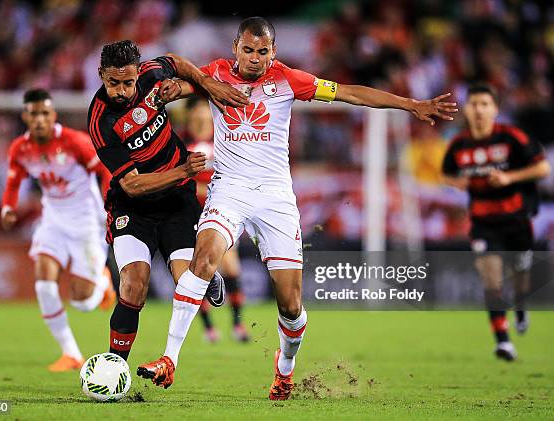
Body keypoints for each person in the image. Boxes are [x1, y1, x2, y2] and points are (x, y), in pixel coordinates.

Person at [139, 17, 457, 400]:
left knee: (290, 305)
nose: (255, 58)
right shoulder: (215, 74)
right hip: (230, 189)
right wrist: (166, 92)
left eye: (263, 51)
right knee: (203, 259)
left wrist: (410, 104)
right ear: (235, 48)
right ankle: (169, 359)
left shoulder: (290, 80)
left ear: (273, 52)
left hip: (276, 198)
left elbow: (349, 94)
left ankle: (284, 369)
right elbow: (181, 83)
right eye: (248, 50)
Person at [87, 40, 249, 362]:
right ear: (101, 74)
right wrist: (183, 170)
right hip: (134, 208)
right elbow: (132, 184)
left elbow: (175, 60)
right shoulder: (101, 122)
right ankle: (114, 366)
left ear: (138, 74)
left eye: (128, 82)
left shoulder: (151, 75)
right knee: (133, 287)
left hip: (177, 202)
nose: (121, 91)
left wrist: (206, 84)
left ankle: (205, 283)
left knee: (186, 281)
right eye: (113, 83)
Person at [1, 89, 116, 372]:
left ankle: (103, 282)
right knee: (43, 282)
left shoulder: (75, 142)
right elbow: (13, 182)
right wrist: (8, 208)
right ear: (25, 117)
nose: (39, 119)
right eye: (34, 114)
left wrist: (109, 203)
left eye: (44, 114)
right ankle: (71, 354)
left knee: (84, 303)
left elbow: (105, 170)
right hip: (53, 221)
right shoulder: (20, 148)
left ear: (53, 115)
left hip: (87, 223)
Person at [442, 84, 550, 361]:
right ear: (466, 109)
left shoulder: (511, 137)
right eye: (474, 104)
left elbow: (543, 168)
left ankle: (522, 306)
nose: (479, 110)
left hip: (515, 218)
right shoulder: (459, 145)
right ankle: (503, 341)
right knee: (490, 277)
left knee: (520, 276)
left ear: (495, 109)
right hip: (482, 220)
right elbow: (446, 174)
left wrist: (509, 178)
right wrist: (459, 183)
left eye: (484, 104)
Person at [182, 96, 249, 343]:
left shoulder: (225, 141)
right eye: (196, 115)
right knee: (199, 272)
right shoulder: (180, 145)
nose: (200, 119)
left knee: (231, 268)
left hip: (222, 214)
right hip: (192, 217)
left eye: (204, 114)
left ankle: (238, 324)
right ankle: (209, 328)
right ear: (189, 118)